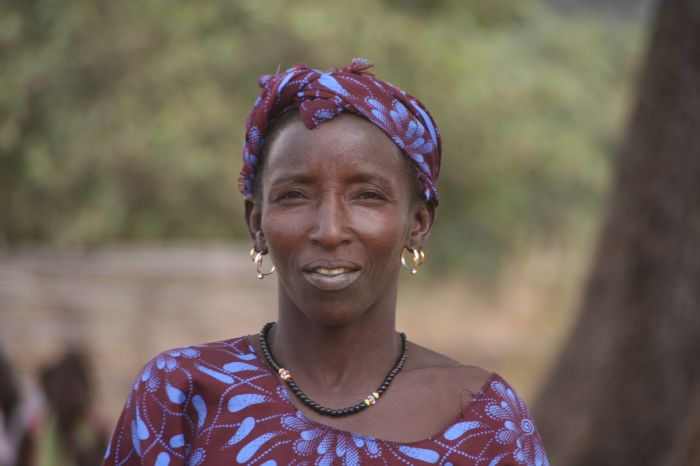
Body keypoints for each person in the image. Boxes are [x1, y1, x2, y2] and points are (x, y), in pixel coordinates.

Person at [103, 59, 549, 465]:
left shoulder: (484, 419)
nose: (330, 230)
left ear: (417, 223)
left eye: (367, 195)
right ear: (256, 222)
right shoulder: (180, 394)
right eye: (294, 195)